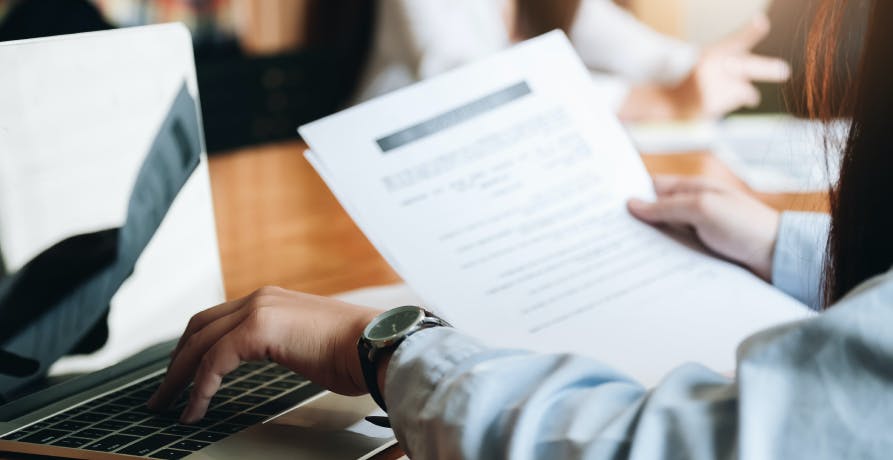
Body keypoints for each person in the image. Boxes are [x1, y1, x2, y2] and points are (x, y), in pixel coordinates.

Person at [149, 0, 893, 457]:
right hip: (390, 184)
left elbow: (658, 448)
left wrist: (383, 347)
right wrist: (784, 247)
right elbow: (458, 71)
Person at [353, 0, 792, 121]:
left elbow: (637, 49)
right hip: (391, 147)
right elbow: (470, 82)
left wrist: (698, 67)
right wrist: (659, 101)